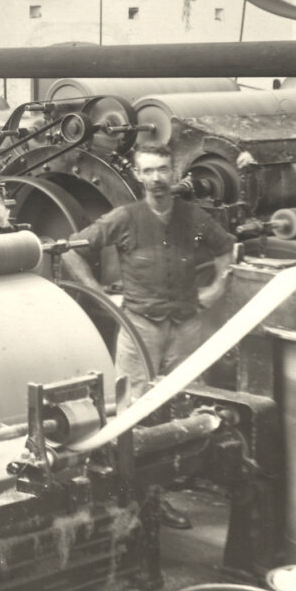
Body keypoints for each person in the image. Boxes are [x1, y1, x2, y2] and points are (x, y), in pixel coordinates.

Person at [64, 143, 237, 407]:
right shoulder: (124, 218)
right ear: (137, 174)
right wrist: (99, 295)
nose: (156, 178)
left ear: (174, 172)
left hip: (186, 328)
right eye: (148, 171)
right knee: (131, 406)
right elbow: (70, 251)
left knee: (189, 401)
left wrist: (217, 288)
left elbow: (226, 249)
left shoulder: (193, 216)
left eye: (162, 170)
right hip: (139, 328)